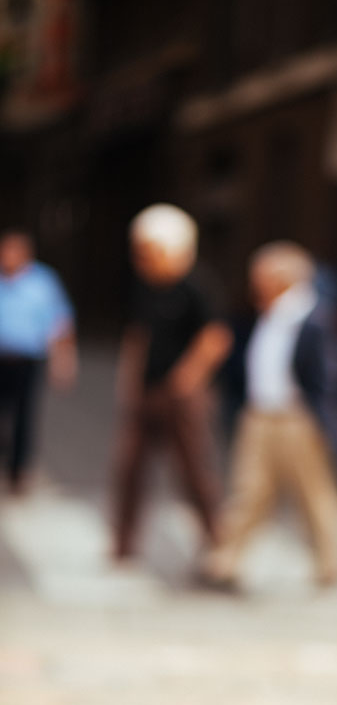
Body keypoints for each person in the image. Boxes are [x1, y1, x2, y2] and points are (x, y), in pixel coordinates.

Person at [204, 240, 337, 590]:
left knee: (313, 494)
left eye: (262, 275)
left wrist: (323, 420)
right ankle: (226, 559)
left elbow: (330, 373)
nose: (255, 282)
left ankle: (331, 563)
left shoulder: (313, 315)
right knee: (248, 491)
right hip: (259, 415)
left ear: (282, 277)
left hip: (296, 418)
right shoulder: (267, 312)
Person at [112, 204, 231, 560]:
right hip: (148, 391)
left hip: (182, 396)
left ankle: (215, 538)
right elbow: (138, 335)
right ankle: (123, 543)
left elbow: (216, 336)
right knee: (129, 467)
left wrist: (188, 376)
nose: (142, 260)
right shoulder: (144, 287)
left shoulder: (196, 286)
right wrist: (129, 379)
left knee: (195, 471)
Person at [0, 230, 77, 494]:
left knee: (23, 416)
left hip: (26, 360)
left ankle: (18, 470)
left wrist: (64, 358)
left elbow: (59, 321)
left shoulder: (43, 282)